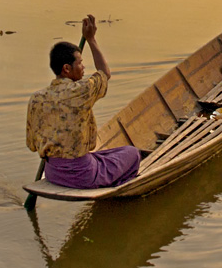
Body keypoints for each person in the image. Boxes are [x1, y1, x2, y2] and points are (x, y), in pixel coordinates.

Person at [25, 14, 140, 189]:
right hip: (82, 175)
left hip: (52, 173)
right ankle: (115, 186)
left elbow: (32, 145)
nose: (83, 67)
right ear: (66, 68)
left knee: (107, 155)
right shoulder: (81, 91)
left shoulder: (36, 99)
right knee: (132, 153)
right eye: (80, 63)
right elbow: (104, 73)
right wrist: (91, 39)